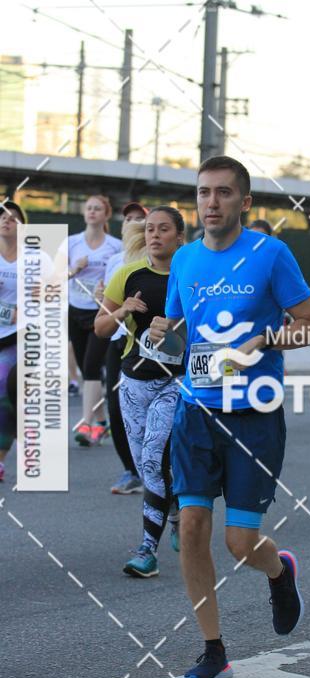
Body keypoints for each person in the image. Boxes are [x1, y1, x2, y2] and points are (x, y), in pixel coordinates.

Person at [148, 155, 310, 678]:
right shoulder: (185, 260)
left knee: (239, 544)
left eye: (224, 193)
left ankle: (279, 569)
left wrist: (262, 338)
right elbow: (182, 336)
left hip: (254, 415)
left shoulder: (271, 254)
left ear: (244, 201)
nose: (212, 202)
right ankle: (212, 648)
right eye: (204, 193)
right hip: (197, 412)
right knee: (194, 527)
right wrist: (162, 332)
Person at [95, 206, 186, 576]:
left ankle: (147, 550)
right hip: (133, 381)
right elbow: (101, 327)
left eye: (164, 229)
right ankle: (177, 505)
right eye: (150, 229)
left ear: (179, 236)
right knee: (148, 468)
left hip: (174, 382)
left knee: (151, 460)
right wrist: (123, 312)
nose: (155, 235)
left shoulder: (189, 276)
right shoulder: (127, 274)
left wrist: (178, 328)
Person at [68, 195, 121, 446]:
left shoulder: (115, 246)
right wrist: (74, 269)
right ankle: (101, 423)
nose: (92, 212)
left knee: (90, 368)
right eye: (88, 208)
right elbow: (54, 276)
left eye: (97, 208)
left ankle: (86, 424)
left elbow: (121, 275)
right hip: (75, 310)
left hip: (101, 313)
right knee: (85, 370)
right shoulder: (71, 243)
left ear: (106, 214)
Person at [103, 203, 148, 495]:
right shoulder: (114, 262)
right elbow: (107, 307)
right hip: (119, 339)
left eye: (139, 219)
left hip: (151, 342)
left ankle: (158, 470)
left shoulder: (164, 258)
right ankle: (130, 470)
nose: (133, 223)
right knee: (116, 406)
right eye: (128, 219)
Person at [0, 201, 26, 481]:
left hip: (16, 334)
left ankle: (1, 460)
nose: (7, 221)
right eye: (2, 217)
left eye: (13, 217)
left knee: (4, 389)